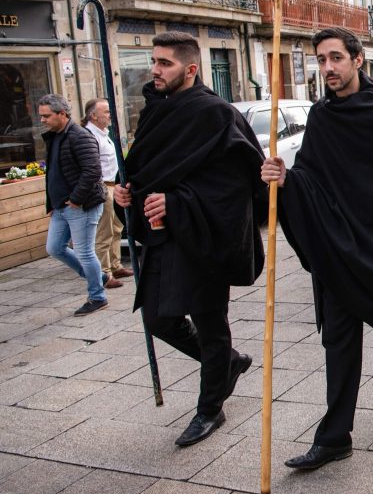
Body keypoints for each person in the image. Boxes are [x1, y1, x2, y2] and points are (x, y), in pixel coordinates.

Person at [261, 27, 373, 470]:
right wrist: (286, 178)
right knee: (337, 338)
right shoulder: (320, 117)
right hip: (338, 242)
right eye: (321, 59)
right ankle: (336, 437)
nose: (328, 67)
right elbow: (312, 176)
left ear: (357, 60)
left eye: (335, 57)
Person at [114, 31, 264, 446]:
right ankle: (228, 364)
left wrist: (178, 202)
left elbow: (237, 186)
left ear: (191, 69)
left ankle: (210, 408)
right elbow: (144, 169)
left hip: (204, 235)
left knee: (211, 325)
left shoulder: (216, 114)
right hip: (163, 237)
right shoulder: (153, 112)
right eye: (155, 61)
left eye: (166, 63)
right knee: (157, 319)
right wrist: (128, 194)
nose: (155, 70)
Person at [40, 94, 108, 316]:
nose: (42, 120)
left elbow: (93, 171)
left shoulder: (80, 136)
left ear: (62, 114)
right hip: (60, 207)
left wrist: (76, 199)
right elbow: (53, 173)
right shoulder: (53, 136)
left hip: (81, 205)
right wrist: (52, 202)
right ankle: (98, 276)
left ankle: (97, 296)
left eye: (47, 116)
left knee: (85, 252)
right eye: (41, 116)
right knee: (54, 248)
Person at [82, 98, 132, 288]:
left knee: (117, 228)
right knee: (104, 233)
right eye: (106, 112)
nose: (110, 115)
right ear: (93, 115)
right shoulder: (89, 135)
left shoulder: (104, 133)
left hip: (113, 185)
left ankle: (116, 264)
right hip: (102, 187)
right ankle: (104, 273)